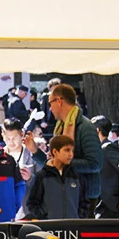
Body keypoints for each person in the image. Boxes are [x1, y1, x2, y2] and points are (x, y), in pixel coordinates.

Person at [45, 83, 101, 217]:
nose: (50, 108)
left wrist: (65, 162)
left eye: (50, 103)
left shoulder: (85, 127)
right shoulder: (60, 128)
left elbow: (95, 163)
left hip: (83, 198)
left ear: (59, 101)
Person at [24, 135, 82, 220]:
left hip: (73, 228)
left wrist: (79, 218)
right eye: (67, 150)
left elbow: (84, 202)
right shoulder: (42, 176)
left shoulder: (77, 175)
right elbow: (32, 203)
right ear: (55, 152)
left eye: (72, 151)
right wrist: (44, 218)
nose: (71, 154)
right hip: (49, 228)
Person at [96, 120, 119, 218]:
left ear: (97, 130)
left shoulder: (108, 148)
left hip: (110, 204)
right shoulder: (100, 148)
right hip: (101, 203)